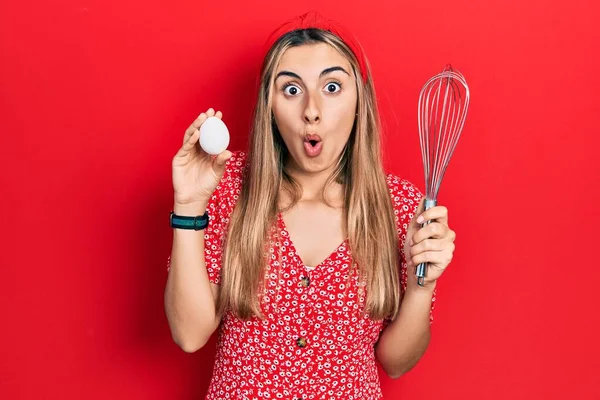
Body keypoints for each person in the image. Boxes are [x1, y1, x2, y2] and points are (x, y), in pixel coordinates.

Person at [164, 10, 456, 400]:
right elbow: (189, 334)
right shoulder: (228, 185)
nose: (312, 110)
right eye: (291, 89)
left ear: (358, 103)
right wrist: (188, 205)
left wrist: (423, 286)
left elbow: (396, 362)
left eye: (332, 87)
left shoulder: (401, 207)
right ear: (269, 106)